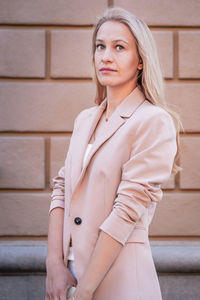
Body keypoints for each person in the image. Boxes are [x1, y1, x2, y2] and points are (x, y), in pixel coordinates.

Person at [45, 7, 181, 300]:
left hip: (121, 284)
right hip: (70, 279)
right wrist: (53, 264)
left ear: (141, 60)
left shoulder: (153, 120)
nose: (106, 56)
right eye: (100, 46)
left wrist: (85, 291)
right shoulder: (84, 120)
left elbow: (126, 211)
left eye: (119, 47)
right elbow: (60, 189)